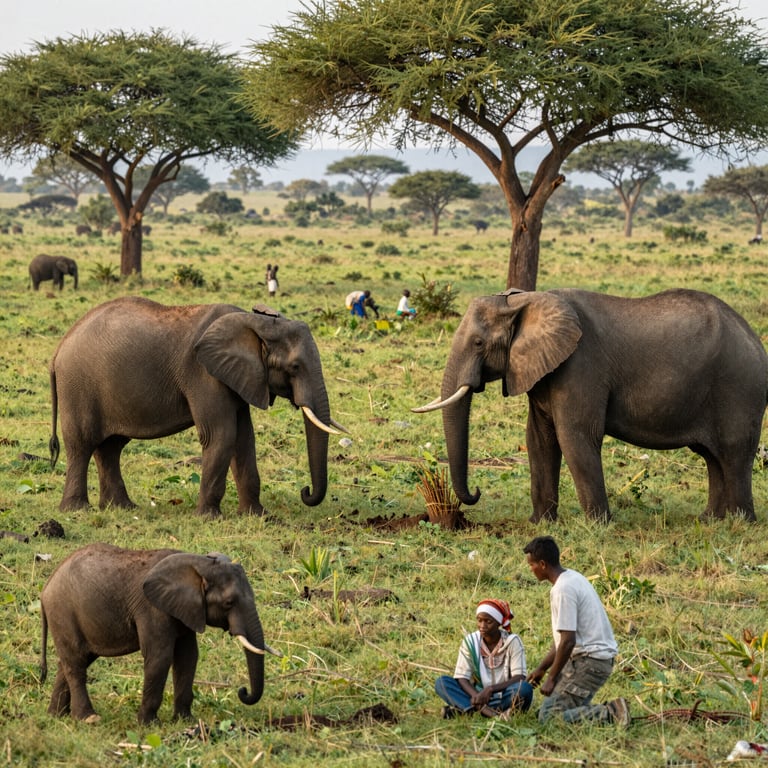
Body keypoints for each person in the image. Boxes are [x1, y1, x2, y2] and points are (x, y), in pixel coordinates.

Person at [523, 536, 630, 727]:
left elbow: (568, 642)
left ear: (542, 564)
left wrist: (551, 678)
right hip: (590, 660)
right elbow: (561, 642)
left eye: (531, 565)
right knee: (547, 710)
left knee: (549, 718)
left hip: (590, 663)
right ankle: (595, 712)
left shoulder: (563, 589)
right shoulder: (572, 577)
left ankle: (611, 713)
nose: (530, 570)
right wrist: (541, 668)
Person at [435, 598, 533, 719]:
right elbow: (462, 677)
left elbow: (519, 677)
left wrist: (491, 689)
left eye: (488, 621)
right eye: (479, 620)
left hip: (504, 695)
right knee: (442, 683)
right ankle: (488, 712)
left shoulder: (512, 641)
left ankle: (466, 710)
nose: (482, 626)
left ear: (498, 623)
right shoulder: (471, 641)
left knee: (524, 689)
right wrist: (478, 697)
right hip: (475, 695)